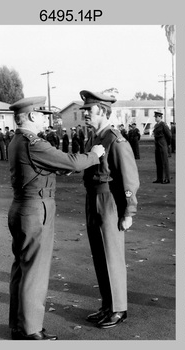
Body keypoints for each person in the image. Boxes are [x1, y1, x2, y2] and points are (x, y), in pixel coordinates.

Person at [7, 96, 105, 340]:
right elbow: (69, 160)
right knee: (35, 272)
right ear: (31, 116)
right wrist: (94, 154)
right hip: (35, 210)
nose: (44, 120)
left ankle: (19, 325)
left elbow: (51, 165)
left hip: (21, 207)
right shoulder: (33, 143)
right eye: (41, 115)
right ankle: (31, 330)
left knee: (21, 268)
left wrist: (64, 166)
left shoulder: (17, 140)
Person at [79, 90, 139, 329]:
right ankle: (107, 305)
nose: (85, 115)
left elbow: (129, 179)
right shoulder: (92, 138)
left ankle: (118, 308)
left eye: (89, 111)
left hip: (109, 201)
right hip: (92, 199)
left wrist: (129, 212)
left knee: (112, 256)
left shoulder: (115, 139)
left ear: (102, 112)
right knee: (99, 255)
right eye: (84, 111)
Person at [152, 111, 171, 184]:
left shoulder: (163, 124)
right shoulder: (156, 125)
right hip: (157, 144)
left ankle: (167, 178)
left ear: (160, 117)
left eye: (156, 117)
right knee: (158, 162)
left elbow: (169, 135)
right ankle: (159, 178)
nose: (155, 118)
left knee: (164, 162)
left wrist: (167, 144)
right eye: (155, 117)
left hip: (163, 143)